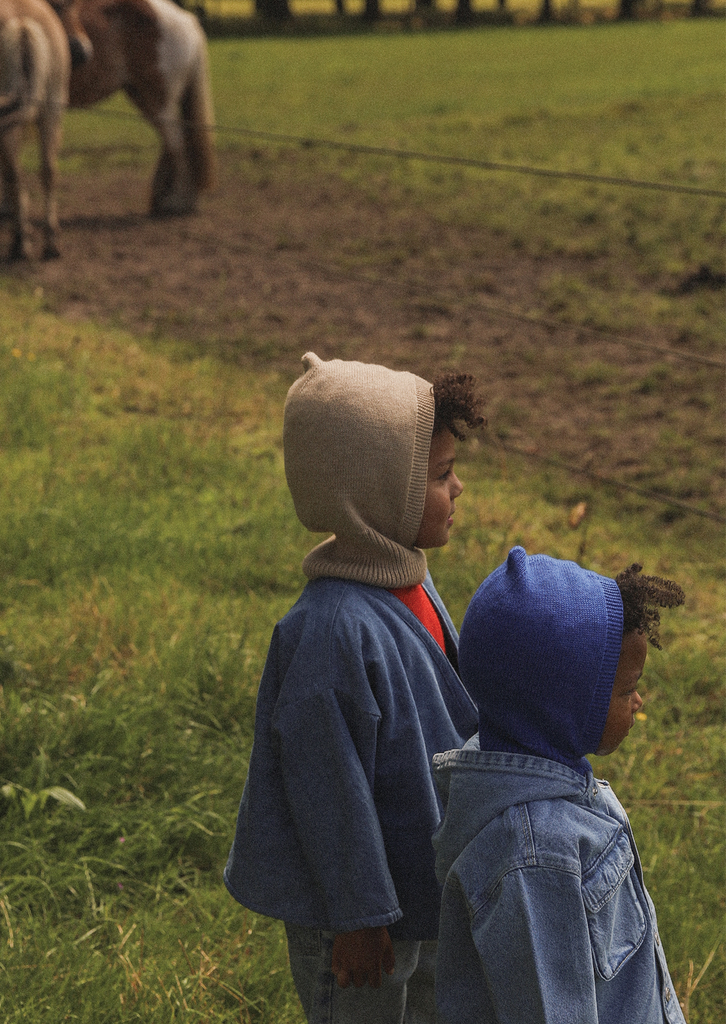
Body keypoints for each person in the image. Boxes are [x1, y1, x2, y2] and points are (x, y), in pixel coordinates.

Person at [224, 351, 486, 1023]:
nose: (458, 491)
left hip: (418, 887)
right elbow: (326, 785)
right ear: (376, 490)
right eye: (444, 476)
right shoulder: (331, 632)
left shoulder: (411, 580)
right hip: (359, 919)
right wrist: (358, 916)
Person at [432, 546, 686, 1024]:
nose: (639, 700)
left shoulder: (536, 775)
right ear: (564, 708)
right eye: (627, 688)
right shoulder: (535, 856)